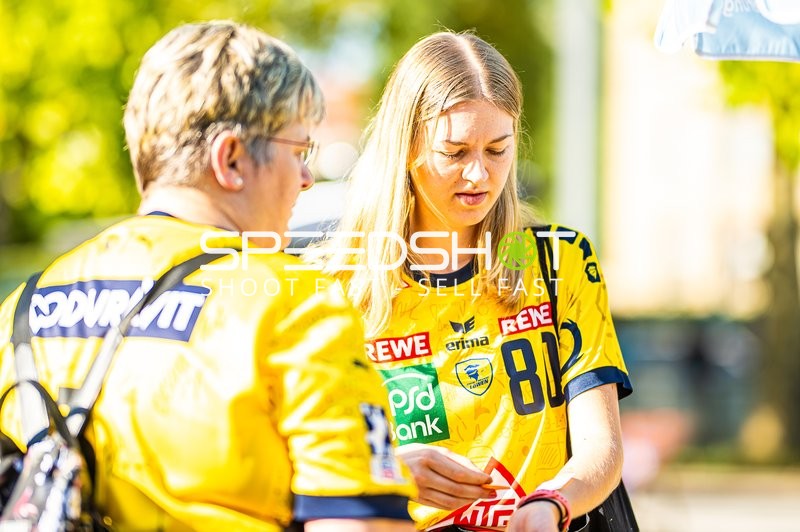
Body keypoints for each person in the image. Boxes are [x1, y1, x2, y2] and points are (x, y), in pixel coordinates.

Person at [0, 21, 416, 532]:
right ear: (232, 159)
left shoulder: (22, 307)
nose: (307, 179)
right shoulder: (295, 300)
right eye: (299, 152)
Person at [320, 31, 633, 532]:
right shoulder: (337, 285)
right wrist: (391, 472)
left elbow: (603, 447)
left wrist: (551, 504)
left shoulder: (557, 261)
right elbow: (308, 462)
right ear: (406, 147)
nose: (479, 175)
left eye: (497, 149)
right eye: (455, 151)